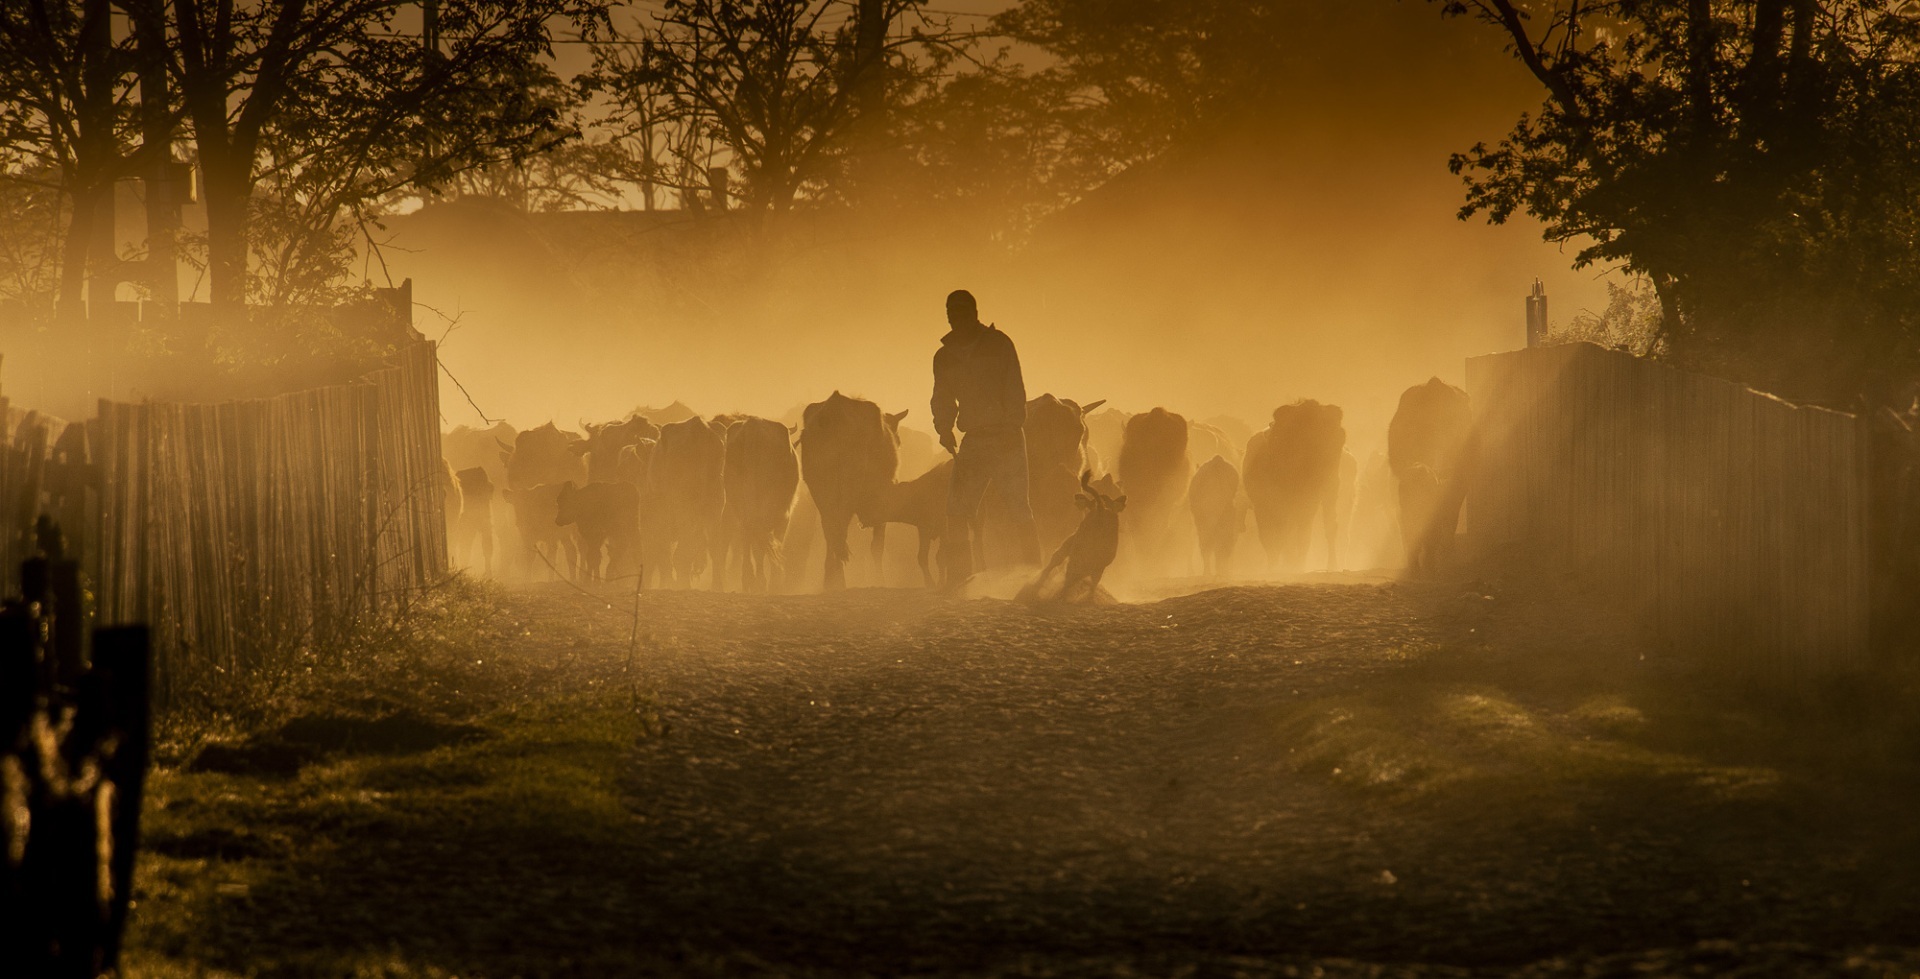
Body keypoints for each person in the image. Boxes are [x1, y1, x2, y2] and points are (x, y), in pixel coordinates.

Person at [932, 289, 1040, 585]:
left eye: (962, 313)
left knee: (1018, 506)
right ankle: (959, 579)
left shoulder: (999, 345)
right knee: (956, 509)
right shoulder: (944, 357)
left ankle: (1034, 576)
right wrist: (943, 427)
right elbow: (942, 397)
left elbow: (1014, 390)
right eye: (951, 314)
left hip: (1007, 438)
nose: (956, 319)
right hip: (975, 440)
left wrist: (1011, 427)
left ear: (975, 313)